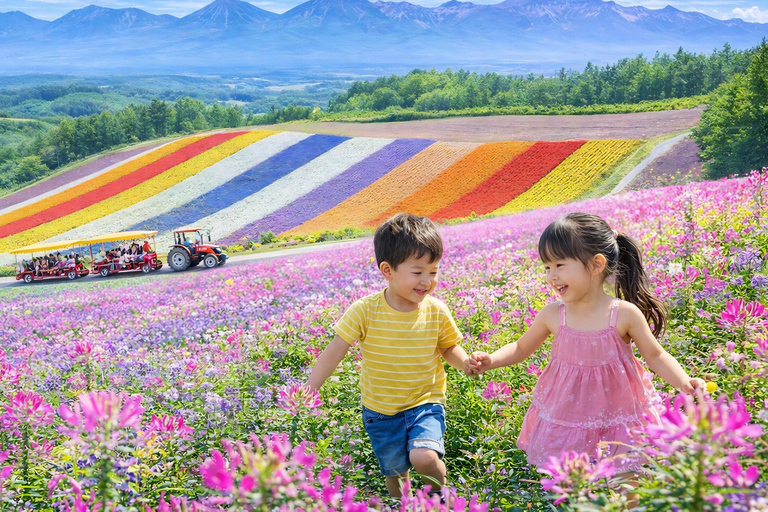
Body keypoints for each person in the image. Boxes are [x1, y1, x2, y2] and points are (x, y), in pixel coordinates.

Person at [469, 212, 706, 472]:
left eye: (559, 265)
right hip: (569, 417)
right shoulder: (553, 314)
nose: (551, 276)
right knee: (574, 484)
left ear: (596, 265)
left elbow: (655, 355)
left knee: (625, 478)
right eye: (547, 267)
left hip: (620, 415)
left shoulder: (624, 314)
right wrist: (491, 359)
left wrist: (684, 381)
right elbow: (521, 347)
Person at [307, 213, 474, 499]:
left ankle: (439, 496)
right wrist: (309, 390)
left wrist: (466, 362)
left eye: (433, 272)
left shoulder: (436, 310)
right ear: (388, 270)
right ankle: (405, 505)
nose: (427, 281)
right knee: (395, 476)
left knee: (424, 457)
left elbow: (447, 347)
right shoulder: (364, 310)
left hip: (425, 402)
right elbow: (335, 349)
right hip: (381, 411)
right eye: (417, 271)